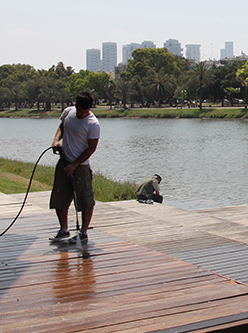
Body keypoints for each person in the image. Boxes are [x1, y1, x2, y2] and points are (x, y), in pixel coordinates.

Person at [49, 91, 100, 244]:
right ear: (75, 105)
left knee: (85, 200)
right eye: (80, 111)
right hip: (64, 163)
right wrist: (56, 140)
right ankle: (64, 229)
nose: (82, 114)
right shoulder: (68, 113)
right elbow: (62, 127)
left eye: (86, 112)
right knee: (60, 196)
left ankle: (83, 232)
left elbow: (91, 148)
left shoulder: (93, 123)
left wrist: (75, 164)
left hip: (80, 166)